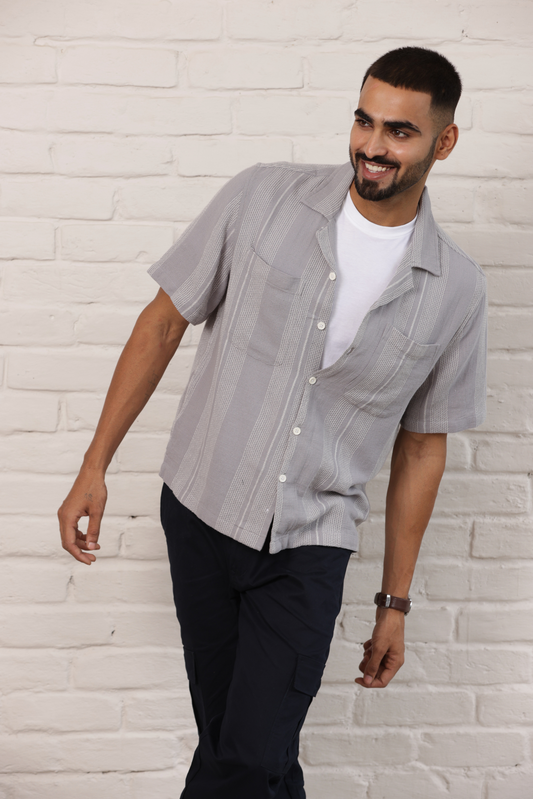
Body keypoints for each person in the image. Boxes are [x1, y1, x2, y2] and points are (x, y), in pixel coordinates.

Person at [58, 46, 487, 799]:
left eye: (399, 131)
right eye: (363, 121)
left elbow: (422, 448)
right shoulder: (263, 197)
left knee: (248, 756)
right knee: (246, 749)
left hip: (310, 543)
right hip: (201, 509)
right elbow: (162, 323)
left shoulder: (455, 288)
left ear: (442, 142)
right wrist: (95, 464)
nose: (372, 145)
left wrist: (394, 604)